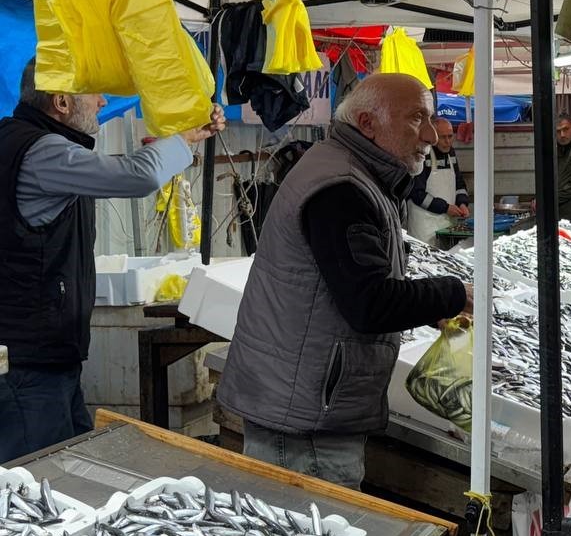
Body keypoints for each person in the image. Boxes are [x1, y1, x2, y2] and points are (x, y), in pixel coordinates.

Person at [218, 74, 471, 488]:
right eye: (416, 119)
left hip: (306, 401)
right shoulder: (341, 188)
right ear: (368, 124)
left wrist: (430, 310)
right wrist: (452, 295)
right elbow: (368, 303)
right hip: (305, 419)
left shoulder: (351, 171)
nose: (429, 134)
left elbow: (349, 281)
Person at [0, 60, 223, 462]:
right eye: (94, 92)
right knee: (37, 481)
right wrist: (184, 137)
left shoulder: (31, 143)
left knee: (68, 469)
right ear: (62, 102)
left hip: (45, 356)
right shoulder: (41, 151)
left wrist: (182, 140)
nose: (103, 100)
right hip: (28, 362)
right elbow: (135, 177)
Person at [406, 116, 470, 244]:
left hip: (447, 224)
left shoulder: (451, 153)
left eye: (450, 136)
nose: (447, 141)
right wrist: (445, 207)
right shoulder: (422, 154)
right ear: (433, 137)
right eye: (443, 137)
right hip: (423, 227)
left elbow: (459, 184)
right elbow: (416, 193)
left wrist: (462, 203)